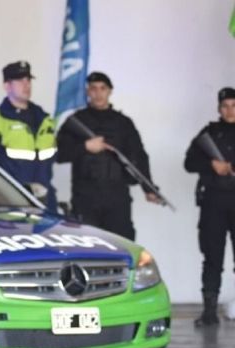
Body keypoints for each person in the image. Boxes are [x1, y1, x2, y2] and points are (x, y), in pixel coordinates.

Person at [55, 72, 160, 240]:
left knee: (122, 245)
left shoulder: (123, 123)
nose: (98, 93)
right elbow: (58, 154)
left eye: (102, 88)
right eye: (93, 88)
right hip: (85, 197)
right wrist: (85, 147)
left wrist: (149, 189)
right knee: (87, 247)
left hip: (116, 197)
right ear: (87, 92)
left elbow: (139, 157)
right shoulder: (76, 121)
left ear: (110, 91)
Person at [0, 61, 58, 212]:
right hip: (10, 204)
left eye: (28, 80)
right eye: (19, 80)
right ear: (7, 86)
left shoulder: (45, 120)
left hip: (44, 201)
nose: (26, 85)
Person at [183, 86, 235, 326]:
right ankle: (209, 312)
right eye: (225, 106)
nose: (229, 110)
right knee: (212, 258)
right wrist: (211, 164)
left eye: (234, 106)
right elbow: (189, 162)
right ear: (219, 108)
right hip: (213, 203)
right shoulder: (209, 133)